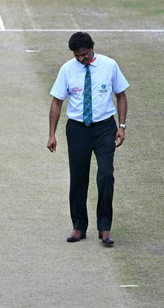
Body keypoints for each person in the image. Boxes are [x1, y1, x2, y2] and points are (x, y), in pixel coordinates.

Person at [47, 32, 129, 246]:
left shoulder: (109, 65)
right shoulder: (67, 69)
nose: (81, 59)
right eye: (77, 56)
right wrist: (52, 134)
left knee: (105, 175)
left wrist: (121, 126)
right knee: (78, 178)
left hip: (104, 129)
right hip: (77, 130)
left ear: (92, 48)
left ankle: (105, 228)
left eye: (84, 54)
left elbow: (121, 95)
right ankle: (79, 226)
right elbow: (57, 102)